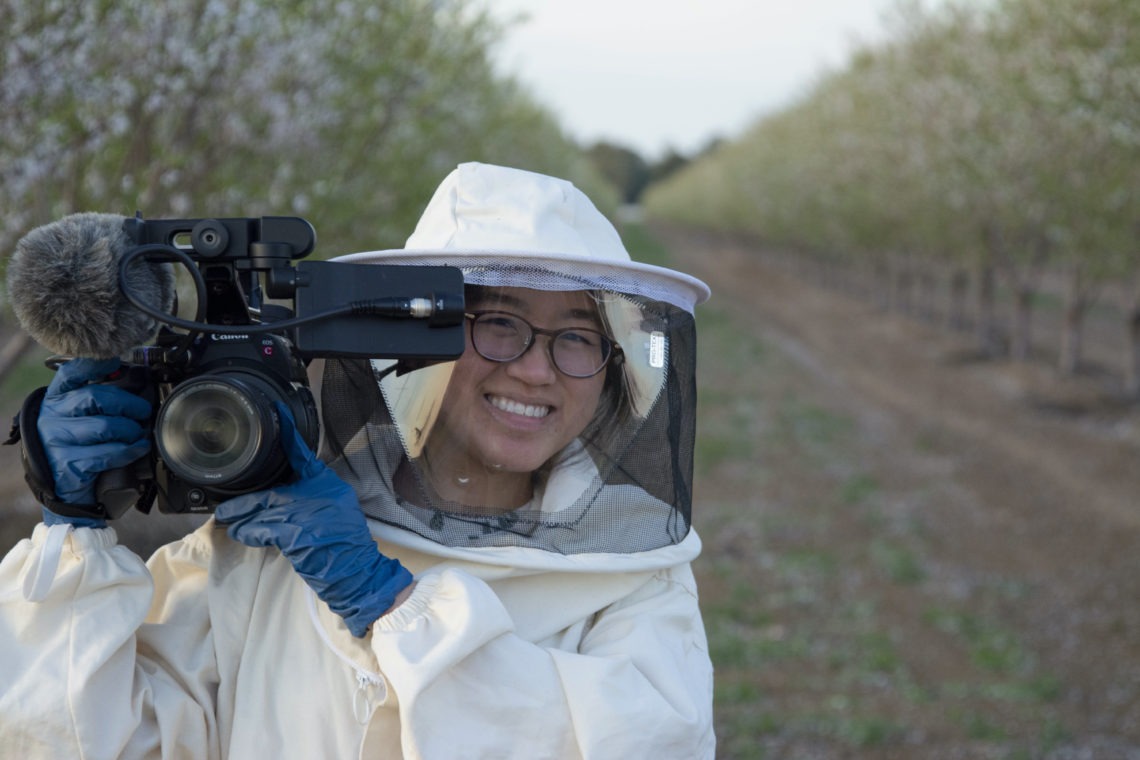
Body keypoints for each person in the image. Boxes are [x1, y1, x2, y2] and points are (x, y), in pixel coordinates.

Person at [0, 162, 715, 758]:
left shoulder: (635, 581)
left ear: (614, 366)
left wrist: (389, 603)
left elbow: (641, 743)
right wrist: (74, 542)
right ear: (417, 340)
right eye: (497, 321)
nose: (535, 370)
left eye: (579, 336)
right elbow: (90, 742)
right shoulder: (266, 548)